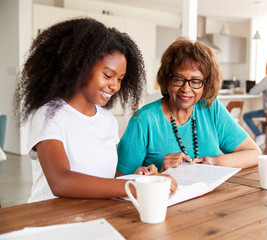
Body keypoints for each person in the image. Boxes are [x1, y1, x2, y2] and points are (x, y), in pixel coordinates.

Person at [13, 18, 177, 203]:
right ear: (80, 66)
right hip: (51, 220)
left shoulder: (107, 120)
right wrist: (134, 185)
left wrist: (139, 177)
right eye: (108, 75)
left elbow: (105, 179)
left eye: (120, 79)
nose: (115, 86)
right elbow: (60, 181)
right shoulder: (49, 115)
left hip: (94, 217)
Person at [117, 37, 261, 174]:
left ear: (206, 84)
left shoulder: (210, 108)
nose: (186, 89)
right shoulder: (143, 120)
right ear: (167, 79)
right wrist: (161, 174)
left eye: (196, 81)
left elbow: (254, 153)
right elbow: (119, 179)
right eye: (178, 79)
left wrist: (214, 162)